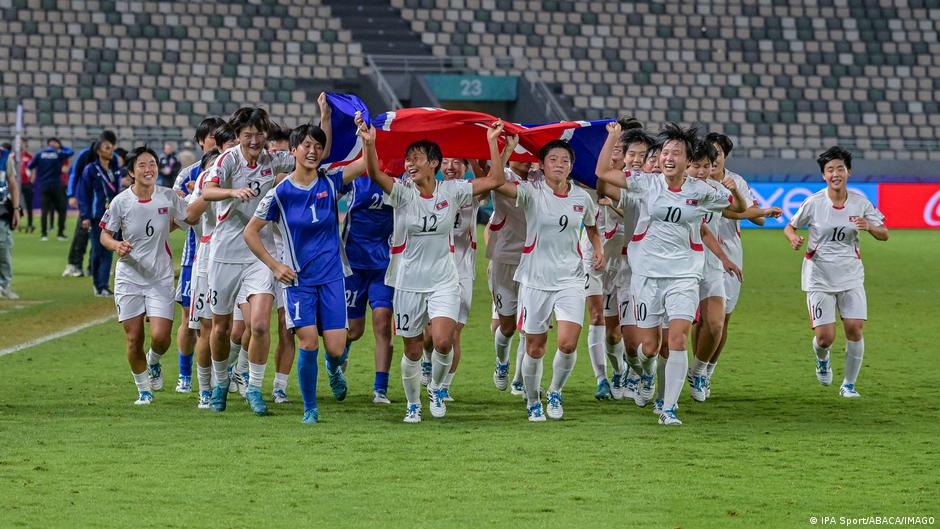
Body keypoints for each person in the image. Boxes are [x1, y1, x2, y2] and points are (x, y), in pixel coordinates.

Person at [357, 115, 507, 423]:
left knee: (443, 340)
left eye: (417, 158)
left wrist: (492, 143)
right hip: (408, 282)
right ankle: (413, 404)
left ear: (433, 163)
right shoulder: (402, 191)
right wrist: (369, 144)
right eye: (408, 159)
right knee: (412, 350)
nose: (410, 164)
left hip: (443, 281)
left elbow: (495, 180)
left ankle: (437, 388)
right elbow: (374, 173)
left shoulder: (452, 190)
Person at [595, 122, 747, 426]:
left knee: (677, 340)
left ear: (687, 159)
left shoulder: (702, 190)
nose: (668, 157)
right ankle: (647, 375)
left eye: (676, 153)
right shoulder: (645, 183)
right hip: (647, 275)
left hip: (685, 275)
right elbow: (603, 173)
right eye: (665, 152)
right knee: (649, 348)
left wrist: (734, 193)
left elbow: (737, 208)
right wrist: (612, 137)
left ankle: (668, 407)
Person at [201, 102, 328, 415]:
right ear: (238, 135)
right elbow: (208, 192)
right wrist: (232, 192)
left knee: (259, 325)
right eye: (248, 135)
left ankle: (254, 388)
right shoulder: (228, 160)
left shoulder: (274, 159)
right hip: (225, 254)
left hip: (260, 252)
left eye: (259, 134)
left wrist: (324, 117)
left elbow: (315, 151)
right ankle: (221, 383)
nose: (254, 140)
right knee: (221, 326)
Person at [245, 123, 360, 424]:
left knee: (336, 348)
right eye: (306, 146)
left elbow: (366, 166)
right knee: (308, 342)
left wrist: (369, 141)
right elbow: (250, 233)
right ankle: (310, 409)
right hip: (298, 281)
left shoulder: (331, 181)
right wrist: (275, 265)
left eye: (318, 146)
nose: (313, 151)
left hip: (332, 277)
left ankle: (333, 367)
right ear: (293, 151)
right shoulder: (279, 194)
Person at [491, 140, 603, 421]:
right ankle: (533, 401)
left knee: (567, 344)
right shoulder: (531, 192)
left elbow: (591, 227)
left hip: (571, 279)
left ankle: (554, 392)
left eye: (565, 160)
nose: (559, 164)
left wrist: (598, 248)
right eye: (553, 159)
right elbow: (496, 181)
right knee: (535, 347)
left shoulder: (582, 198)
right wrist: (499, 146)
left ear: (572, 166)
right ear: (542, 165)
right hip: (535, 280)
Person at [784, 147, 888, 398]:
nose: (835, 174)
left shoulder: (861, 203)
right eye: (830, 170)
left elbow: (884, 233)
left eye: (840, 168)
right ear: (824, 175)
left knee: (855, 329)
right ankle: (822, 359)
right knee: (825, 338)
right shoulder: (814, 202)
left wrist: (869, 226)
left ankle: (849, 385)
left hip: (851, 275)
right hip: (819, 276)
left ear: (848, 171)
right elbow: (790, 226)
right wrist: (793, 238)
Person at [98, 146, 197, 404]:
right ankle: (144, 390)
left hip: (160, 277)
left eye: (152, 163)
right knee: (134, 338)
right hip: (129, 276)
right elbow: (104, 235)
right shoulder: (121, 201)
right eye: (141, 165)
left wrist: (201, 194)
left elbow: (190, 218)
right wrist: (116, 245)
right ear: (132, 172)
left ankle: (154, 361)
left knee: (161, 337)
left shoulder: (168, 197)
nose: (148, 169)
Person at [694, 132, 781, 398]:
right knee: (700, 319)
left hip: (729, 254)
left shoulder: (735, 182)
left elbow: (755, 218)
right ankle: (696, 371)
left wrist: (758, 209)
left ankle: (706, 371)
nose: (714, 158)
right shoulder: (694, 180)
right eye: (709, 153)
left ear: (725, 156)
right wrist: (760, 211)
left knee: (721, 320)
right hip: (697, 254)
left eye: (718, 153)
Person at [592, 124, 656, 402]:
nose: (638, 159)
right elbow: (602, 183)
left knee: (632, 340)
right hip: (609, 263)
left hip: (636, 268)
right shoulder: (623, 181)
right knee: (610, 332)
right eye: (633, 154)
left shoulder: (653, 186)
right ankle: (618, 371)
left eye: (644, 155)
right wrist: (612, 141)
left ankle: (640, 372)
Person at [171, 116, 226, 394]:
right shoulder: (189, 173)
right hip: (196, 254)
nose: (216, 141)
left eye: (220, 136)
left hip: (226, 252)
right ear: (201, 141)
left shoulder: (232, 167)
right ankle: (184, 375)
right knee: (189, 319)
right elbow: (178, 210)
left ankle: (222, 374)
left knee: (222, 322)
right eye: (211, 136)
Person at [487, 157, 542, 397]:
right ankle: (502, 362)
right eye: (522, 154)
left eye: (531, 155)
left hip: (536, 262)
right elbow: (492, 178)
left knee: (530, 329)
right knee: (507, 327)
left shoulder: (542, 179)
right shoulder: (502, 177)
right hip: (506, 260)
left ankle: (523, 381)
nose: (529, 160)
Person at [65, 131, 118, 276]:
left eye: (111, 146)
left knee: (101, 236)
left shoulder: (113, 158)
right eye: (107, 145)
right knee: (82, 232)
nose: (110, 149)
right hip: (87, 200)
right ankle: (74, 264)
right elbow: (75, 173)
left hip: (104, 204)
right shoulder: (86, 154)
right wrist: (71, 194)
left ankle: (93, 268)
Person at [76, 135, 121, 297]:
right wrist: (85, 216)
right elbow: (84, 193)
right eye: (107, 148)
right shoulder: (90, 169)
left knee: (108, 250)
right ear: (99, 151)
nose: (111, 151)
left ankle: (103, 285)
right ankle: (97, 284)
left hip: (111, 216)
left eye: (111, 147)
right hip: (96, 216)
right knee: (97, 251)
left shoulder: (113, 170)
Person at [28, 137, 73, 241]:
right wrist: (61, 147)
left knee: (44, 210)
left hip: (44, 185)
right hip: (56, 185)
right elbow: (71, 151)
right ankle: (60, 234)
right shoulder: (58, 153)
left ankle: (44, 234)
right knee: (62, 210)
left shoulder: (40, 154)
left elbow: (30, 166)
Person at [0, 145, 20, 300]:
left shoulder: (5, 157)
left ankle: (4, 285)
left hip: (2, 208)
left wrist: (16, 209)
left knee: (4, 247)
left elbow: (12, 183)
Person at [18, 141, 35, 233]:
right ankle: (17, 224)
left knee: (29, 205)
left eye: (23, 144)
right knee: (16, 205)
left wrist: (31, 181)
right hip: (17, 184)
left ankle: (30, 224)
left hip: (27, 184)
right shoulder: (15, 156)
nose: (21, 145)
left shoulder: (29, 156)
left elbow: (33, 170)